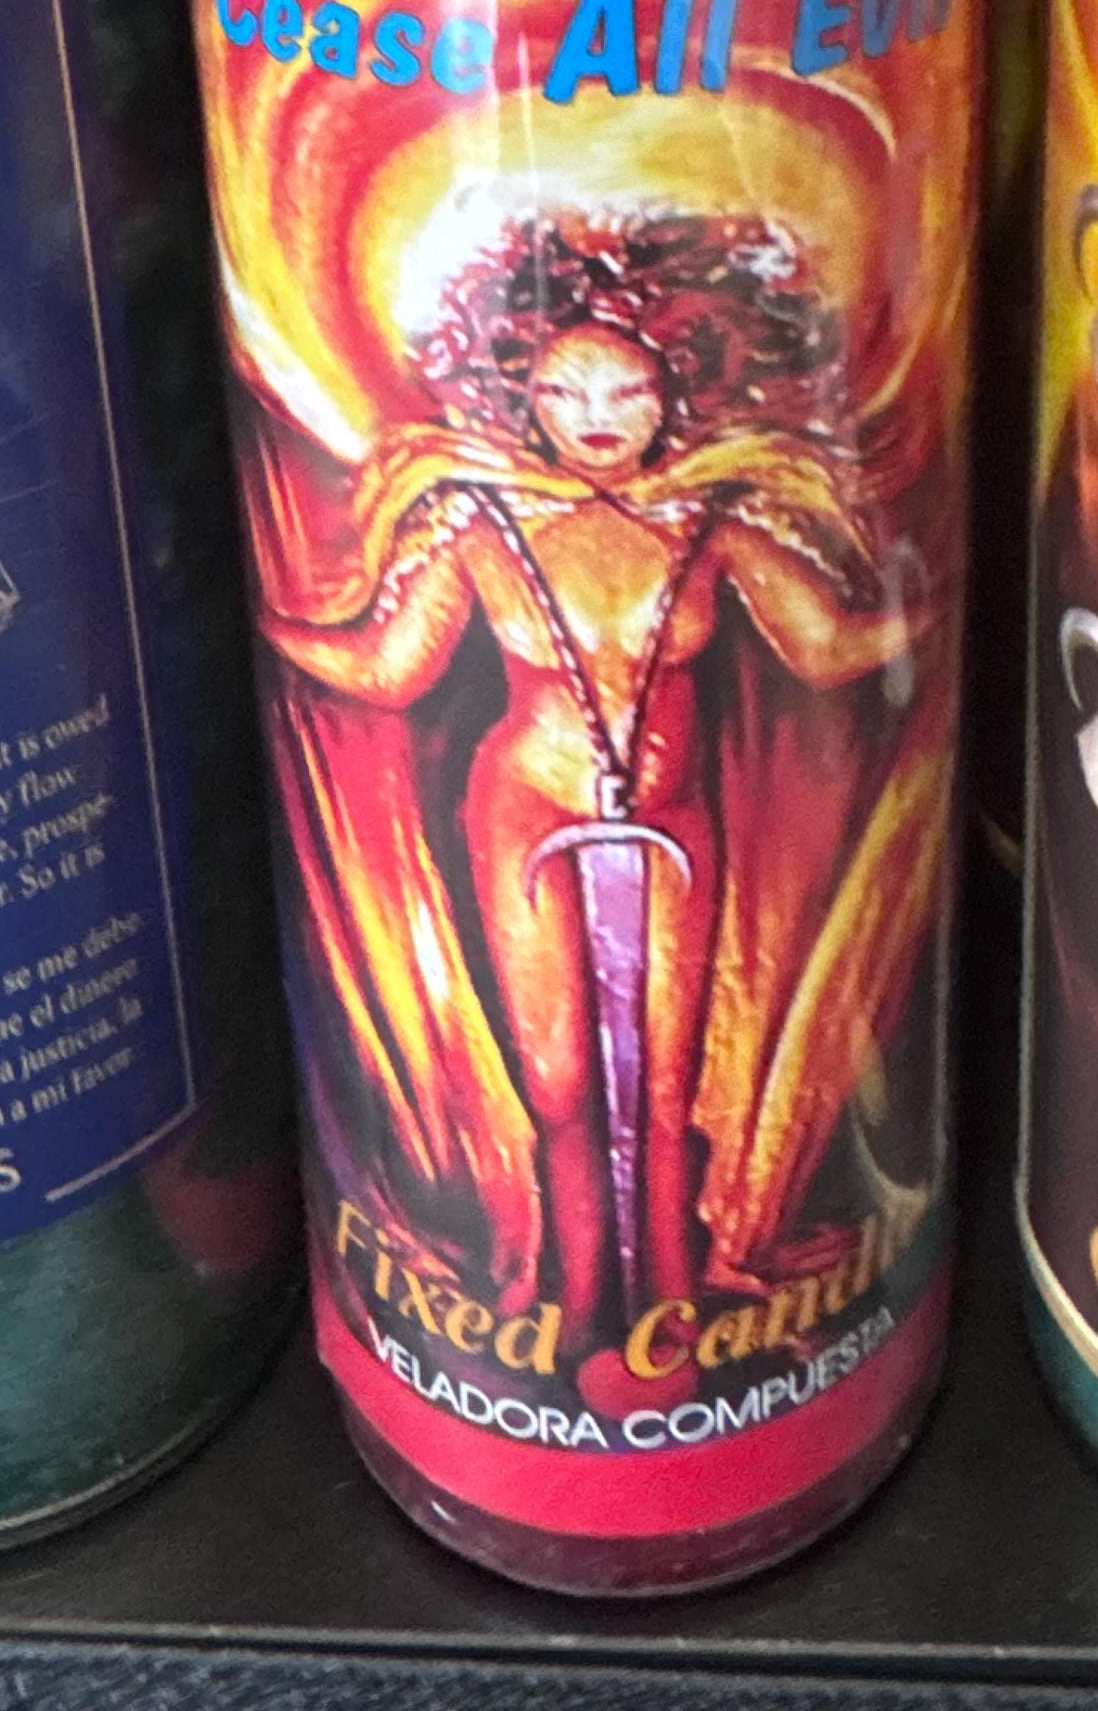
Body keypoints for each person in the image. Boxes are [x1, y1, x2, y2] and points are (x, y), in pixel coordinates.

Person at [267, 206, 924, 1355]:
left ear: (676, 391)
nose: (596, 419)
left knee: (668, 1087)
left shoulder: (711, 526)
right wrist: (275, 621)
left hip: (673, 815)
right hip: (523, 811)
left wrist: (932, 600)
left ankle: (672, 1309)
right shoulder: (486, 529)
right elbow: (388, 666)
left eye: (625, 391)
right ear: (524, 396)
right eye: (566, 394)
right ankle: (572, 1314)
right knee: (562, 1083)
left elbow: (823, 646)